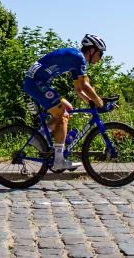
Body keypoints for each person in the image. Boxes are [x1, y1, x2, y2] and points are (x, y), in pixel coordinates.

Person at [23, 34, 106, 171]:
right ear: (92, 50)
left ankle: (39, 136)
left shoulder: (76, 59)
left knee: (68, 108)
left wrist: (91, 102)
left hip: (37, 82)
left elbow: (79, 89)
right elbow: (85, 85)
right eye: (100, 54)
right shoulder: (79, 58)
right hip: (36, 83)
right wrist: (100, 102)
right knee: (63, 115)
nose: (100, 58)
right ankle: (59, 160)